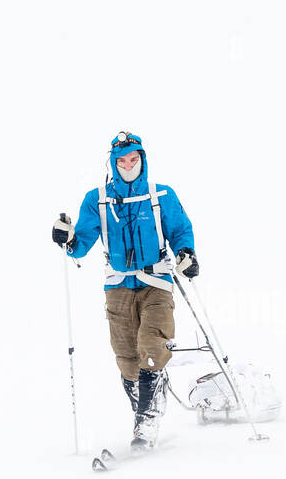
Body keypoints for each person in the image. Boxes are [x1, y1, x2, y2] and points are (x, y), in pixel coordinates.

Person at [52, 132, 200, 452]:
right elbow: (81, 246)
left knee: (151, 345)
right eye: (122, 161)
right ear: (113, 163)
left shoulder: (161, 195)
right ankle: (147, 403)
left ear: (143, 159)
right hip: (117, 286)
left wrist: (186, 254)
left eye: (134, 159)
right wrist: (67, 239)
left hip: (156, 282)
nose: (129, 165)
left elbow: (179, 231)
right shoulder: (98, 200)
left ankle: (146, 422)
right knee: (127, 361)